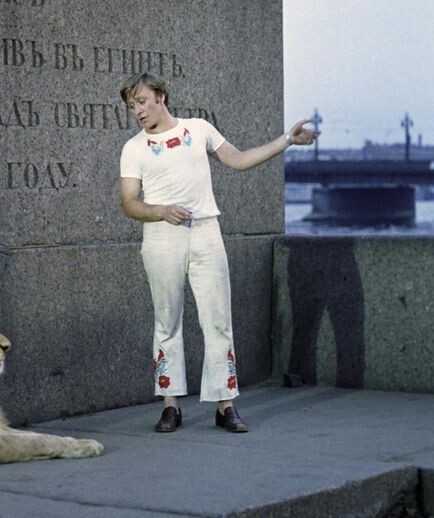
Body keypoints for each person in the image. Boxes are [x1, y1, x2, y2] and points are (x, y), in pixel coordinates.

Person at [118, 72, 319, 433]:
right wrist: (161, 210)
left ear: (161, 97)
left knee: (218, 321)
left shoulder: (198, 129)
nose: (137, 111)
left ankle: (226, 405)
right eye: (132, 106)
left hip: (206, 233)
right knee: (167, 322)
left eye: (142, 102)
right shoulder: (133, 148)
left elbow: (239, 160)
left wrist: (288, 139)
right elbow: (129, 204)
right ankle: (170, 405)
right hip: (161, 239)